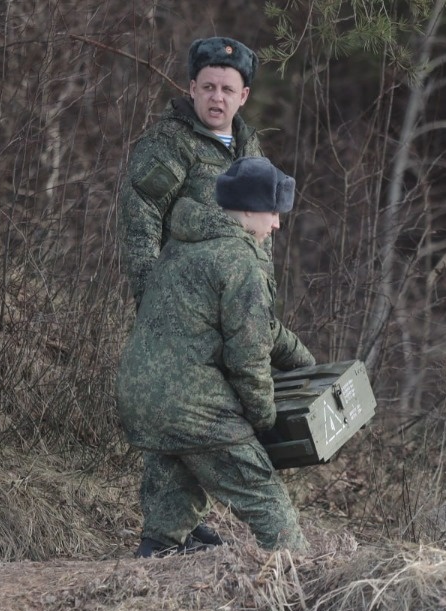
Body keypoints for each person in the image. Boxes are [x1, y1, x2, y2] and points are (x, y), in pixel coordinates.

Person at [117, 156, 316, 557]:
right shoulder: (239, 260)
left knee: (178, 473)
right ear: (249, 209)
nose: (277, 224)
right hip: (193, 403)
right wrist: (263, 418)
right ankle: (300, 573)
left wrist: (305, 363)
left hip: (141, 397)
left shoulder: (182, 245)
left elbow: (261, 329)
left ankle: (155, 555)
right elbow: (248, 357)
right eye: (273, 212)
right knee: (266, 498)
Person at [118, 36, 263, 309]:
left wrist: (263, 304)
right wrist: (151, 299)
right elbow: (141, 216)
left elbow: (263, 232)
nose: (217, 97)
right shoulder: (171, 142)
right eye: (208, 87)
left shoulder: (251, 151)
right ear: (193, 89)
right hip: (182, 308)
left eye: (227, 89)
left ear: (243, 96)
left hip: (238, 309)